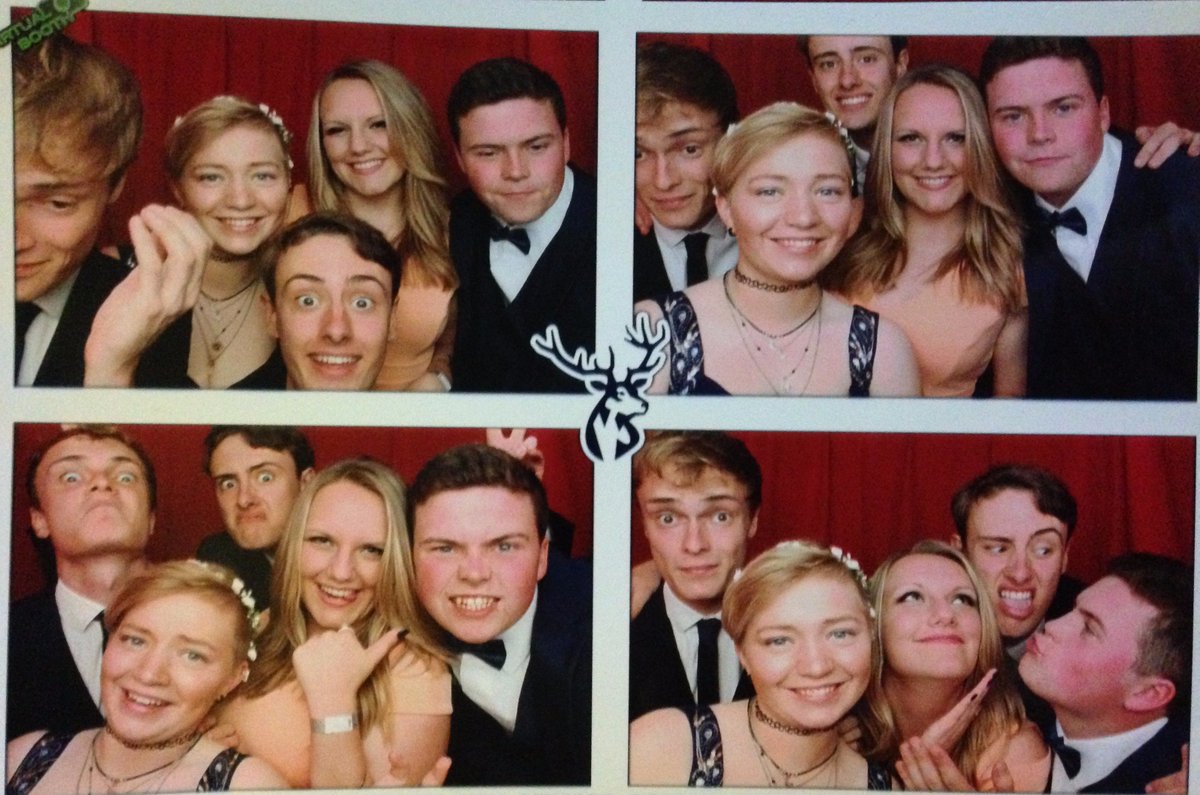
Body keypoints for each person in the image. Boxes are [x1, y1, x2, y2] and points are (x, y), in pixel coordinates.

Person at [635, 102, 919, 396]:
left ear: (853, 211)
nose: (803, 217)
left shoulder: (884, 349)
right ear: (726, 209)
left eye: (827, 191)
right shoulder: (653, 333)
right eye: (769, 191)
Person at [981, 36, 1200, 400]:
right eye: (1013, 116)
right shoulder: (988, 211)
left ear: (1103, 114)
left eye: (1063, 108)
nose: (1040, 134)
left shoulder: (1186, 190)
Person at [218, 458, 450, 788]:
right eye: (322, 541)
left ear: (397, 561)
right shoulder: (259, 625)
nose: (341, 572)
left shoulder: (416, 669)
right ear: (294, 544)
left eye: (371, 550)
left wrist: (334, 704)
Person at [14, 35, 207, 387]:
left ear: (116, 184)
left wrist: (112, 369)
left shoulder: (148, 310)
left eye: (58, 203)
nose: (12, 241)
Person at [826, 65, 1027, 397]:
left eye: (956, 138)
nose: (933, 160)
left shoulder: (1008, 267)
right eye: (911, 138)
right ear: (886, 148)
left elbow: (1009, 410)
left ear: (981, 146)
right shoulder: (842, 228)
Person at [6, 561, 287, 793]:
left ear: (233, 678)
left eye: (192, 655)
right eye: (135, 640)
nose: (149, 673)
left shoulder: (249, 786)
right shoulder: (21, 759)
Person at [630, 540, 889, 788]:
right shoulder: (660, 747)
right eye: (780, 640)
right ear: (743, 653)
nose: (816, 667)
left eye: (840, 634)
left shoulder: (881, 786)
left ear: (871, 637)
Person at [408, 444, 592, 785]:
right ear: (410, 556)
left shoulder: (605, 623)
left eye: (503, 547)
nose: (474, 573)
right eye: (445, 548)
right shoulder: (393, 639)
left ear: (542, 557)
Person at [446, 57, 596, 393]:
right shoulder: (450, 223)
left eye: (536, 147)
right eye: (488, 153)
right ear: (458, 158)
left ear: (566, 143)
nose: (516, 171)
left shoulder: (627, 226)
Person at [307, 60, 458, 391]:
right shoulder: (291, 212)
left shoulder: (453, 230)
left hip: (411, 416)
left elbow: (453, 341)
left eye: (379, 124)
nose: (358, 146)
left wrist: (438, 379)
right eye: (337, 130)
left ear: (410, 128)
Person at [128, 96, 293, 389]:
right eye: (212, 177)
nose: (240, 200)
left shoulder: (305, 291)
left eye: (263, 176)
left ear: (288, 182)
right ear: (177, 188)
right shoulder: (116, 277)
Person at [863, 540, 1050, 791]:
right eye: (913, 597)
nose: (945, 614)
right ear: (872, 626)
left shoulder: (1014, 752)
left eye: (962, 599)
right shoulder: (840, 730)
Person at [7, 426, 156, 738]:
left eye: (125, 477)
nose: (102, 483)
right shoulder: (9, 635)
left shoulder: (214, 620)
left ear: (151, 519)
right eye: (71, 477)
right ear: (39, 520)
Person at [1018, 553, 1190, 793]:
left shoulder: (1180, 779)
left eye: (1089, 629)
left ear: (1148, 693)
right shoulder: (1012, 702)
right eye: (1075, 609)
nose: (1053, 626)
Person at [629, 431, 759, 721]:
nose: (695, 544)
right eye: (668, 518)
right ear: (644, 524)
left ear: (753, 520)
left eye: (720, 516)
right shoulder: (609, 634)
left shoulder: (792, 626)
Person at [236, 211, 403, 390]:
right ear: (272, 315)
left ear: (392, 319)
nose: (336, 331)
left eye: (362, 303)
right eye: (308, 301)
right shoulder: (224, 408)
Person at [633, 41, 739, 301]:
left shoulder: (777, 229)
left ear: (733, 139)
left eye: (689, 149)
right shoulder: (598, 242)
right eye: (639, 153)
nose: (663, 181)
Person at [950, 464, 1083, 658]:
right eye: (998, 549)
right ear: (960, 554)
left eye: (1043, 550)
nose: (1020, 574)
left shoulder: (1091, 648)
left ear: (1065, 556)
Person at [195, 426, 316, 607]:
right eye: (228, 484)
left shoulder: (344, 553)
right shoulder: (217, 558)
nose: (244, 500)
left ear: (306, 483)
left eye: (265, 478)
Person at [797, 35, 909, 187]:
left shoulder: (937, 156)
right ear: (814, 79)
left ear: (900, 64)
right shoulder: (800, 160)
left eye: (867, 59)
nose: (847, 81)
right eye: (829, 64)